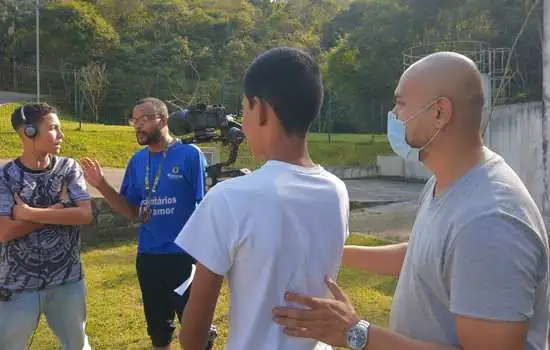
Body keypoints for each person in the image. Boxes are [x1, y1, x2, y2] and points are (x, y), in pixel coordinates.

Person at [272, 51, 550, 350]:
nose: (394, 114)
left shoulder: (489, 221)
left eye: (401, 103)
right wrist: (332, 253)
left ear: (439, 113)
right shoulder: (446, 182)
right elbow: (421, 257)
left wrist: (356, 333)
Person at [175, 46, 350, 350]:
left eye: (244, 110)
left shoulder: (228, 198)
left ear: (262, 110)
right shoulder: (336, 190)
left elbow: (195, 328)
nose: (242, 123)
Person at [79, 97, 216, 350]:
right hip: (149, 257)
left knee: (198, 335)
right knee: (158, 333)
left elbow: (206, 205)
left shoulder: (189, 155)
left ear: (162, 120)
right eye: (134, 120)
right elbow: (131, 211)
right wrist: (100, 185)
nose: (137, 126)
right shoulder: (137, 161)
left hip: (185, 256)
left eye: (143, 119)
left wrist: (205, 255)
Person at [0, 102, 93, 350]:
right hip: (17, 285)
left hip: (68, 280)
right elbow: (5, 231)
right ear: (28, 132)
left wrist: (29, 213)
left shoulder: (68, 168)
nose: (60, 135)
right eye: (53, 128)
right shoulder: (5, 176)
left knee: (78, 344)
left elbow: (84, 214)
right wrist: (57, 210)